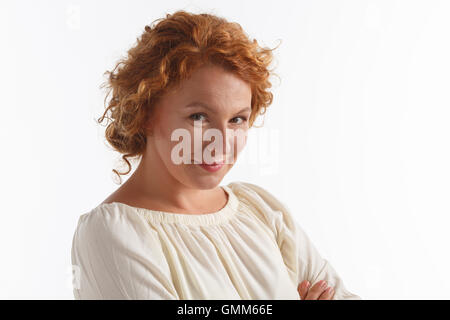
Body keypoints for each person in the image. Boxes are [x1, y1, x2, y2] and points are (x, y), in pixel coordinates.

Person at [71, 10, 361, 300]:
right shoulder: (113, 234)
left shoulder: (261, 210)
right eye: (199, 116)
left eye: (237, 120)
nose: (221, 143)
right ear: (145, 112)